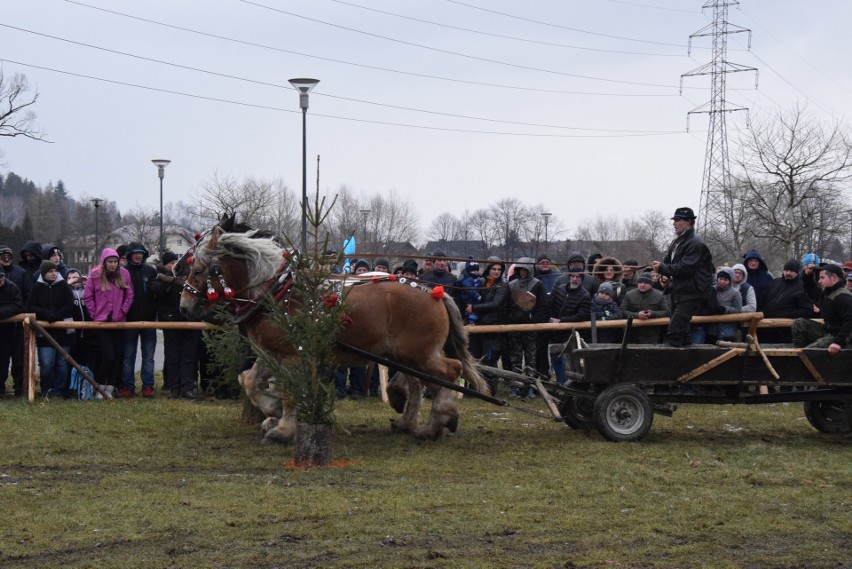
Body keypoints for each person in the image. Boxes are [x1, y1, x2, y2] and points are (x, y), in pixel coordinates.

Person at [652, 207, 715, 347]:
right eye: (674, 220)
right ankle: (688, 360)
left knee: (674, 331)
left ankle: (669, 362)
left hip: (692, 292)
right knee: (683, 333)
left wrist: (663, 268)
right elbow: (669, 262)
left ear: (689, 222)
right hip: (679, 291)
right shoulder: (677, 242)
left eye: (678, 220)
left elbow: (687, 268)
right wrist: (663, 271)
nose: (674, 223)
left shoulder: (695, 242)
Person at [84, 248, 133, 394]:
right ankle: (98, 385)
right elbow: (88, 297)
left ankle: (110, 387)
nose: (113, 265)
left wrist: (123, 310)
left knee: (117, 356)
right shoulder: (94, 275)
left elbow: (130, 295)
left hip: (118, 321)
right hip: (101, 322)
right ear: (104, 262)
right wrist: (94, 314)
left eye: (115, 262)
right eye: (110, 262)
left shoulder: (124, 274)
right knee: (108, 356)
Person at [153, 251, 201, 400]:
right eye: (171, 263)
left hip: (190, 321)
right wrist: (171, 281)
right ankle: (174, 388)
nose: (174, 265)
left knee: (188, 357)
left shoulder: (190, 278)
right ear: (165, 265)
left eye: (176, 262)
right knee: (173, 357)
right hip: (171, 321)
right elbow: (157, 291)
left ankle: (187, 388)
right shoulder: (160, 278)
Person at [26, 260, 75, 398]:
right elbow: (30, 306)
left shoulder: (64, 286)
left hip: (64, 330)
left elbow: (70, 304)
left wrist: (58, 315)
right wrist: (46, 314)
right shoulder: (36, 288)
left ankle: (59, 391)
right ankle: (46, 390)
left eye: (55, 271)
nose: (54, 274)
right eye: (50, 271)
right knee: (46, 364)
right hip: (45, 331)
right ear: (43, 273)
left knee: (62, 363)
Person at [122, 242, 158, 398]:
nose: (138, 255)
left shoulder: (151, 272)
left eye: (140, 253)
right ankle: (127, 386)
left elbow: (157, 293)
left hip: (149, 321)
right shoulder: (123, 272)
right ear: (129, 255)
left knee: (148, 356)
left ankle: (148, 386)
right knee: (128, 356)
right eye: (135, 253)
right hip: (129, 321)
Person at [467, 258, 509, 394]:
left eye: (499, 270)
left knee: (489, 358)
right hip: (477, 325)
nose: (496, 272)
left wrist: (474, 308)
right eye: (494, 269)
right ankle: (475, 387)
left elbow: (495, 304)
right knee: (475, 356)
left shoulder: (502, 285)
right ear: (489, 269)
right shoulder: (483, 282)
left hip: (493, 326)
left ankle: (490, 389)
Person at [507, 257, 547, 396]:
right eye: (520, 270)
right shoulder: (511, 285)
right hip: (515, 327)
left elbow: (542, 305)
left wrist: (534, 320)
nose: (522, 272)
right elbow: (507, 306)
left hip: (530, 328)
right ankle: (516, 387)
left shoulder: (537, 284)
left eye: (525, 269)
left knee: (531, 358)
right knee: (515, 358)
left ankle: (531, 387)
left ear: (529, 269)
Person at [791, 264, 852, 353]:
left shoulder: (843, 297)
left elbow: (850, 321)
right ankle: (798, 354)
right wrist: (808, 276)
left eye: (822, 278)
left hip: (842, 336)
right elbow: (811, 289)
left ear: (834, 277)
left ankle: (802, 358)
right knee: (799, 323)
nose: (819, 281)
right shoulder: (827, 291)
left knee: (808, 352)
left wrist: (838, 342)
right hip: (828, 331)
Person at [548, 267, 591, 383]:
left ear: (581, 279)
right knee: (555, 357)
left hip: (570, 334)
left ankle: (568, 385)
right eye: (573, 276)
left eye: (578, 277)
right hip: (554, 331)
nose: (575, 279)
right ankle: (560, 383)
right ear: (569, 277)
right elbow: (550, 305)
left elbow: (580, 316)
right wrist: (551, 318)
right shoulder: (560, 289)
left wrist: (561, 321)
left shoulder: (585, 295)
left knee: (567, 361)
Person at [759, 259, 817, 343]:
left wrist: (786, 314)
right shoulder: (774, 283)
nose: (788, 273)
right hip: (766, 328)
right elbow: (763, 300)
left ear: (797, 272)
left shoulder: (802, 287)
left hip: (786, 332)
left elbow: (807, 311)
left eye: (791, 271)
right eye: (786, 270)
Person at [0, 245, 27, 397]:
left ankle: (20, 389)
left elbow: (19, 304)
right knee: (1, 362)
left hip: (16, 327)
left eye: (8, 255)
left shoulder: (14, 285)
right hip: (2, 331)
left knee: (18, 361)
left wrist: (2, 312)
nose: (6, 258)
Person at [621, 271, 670, 344]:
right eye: (640, 283)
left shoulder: (659, 295)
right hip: (632, 333)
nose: (642, 285)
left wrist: (652, 314)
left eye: (645, 283)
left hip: (651, 333)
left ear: (651, 284)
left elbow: (666, 312)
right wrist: (637, 315)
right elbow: (623, 310)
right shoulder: (629, 294)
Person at [533, 252, 562, 378]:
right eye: (542, 262)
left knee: (557, 349)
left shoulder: (557, 276)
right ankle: (542, 374)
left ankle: (559, 375)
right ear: (537, 264)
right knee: (540, 349)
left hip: (554, 315)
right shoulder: (534, 277)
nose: (545, 264)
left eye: (547, 262)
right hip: (538, 317)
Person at [66, 268, 97, 370]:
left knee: (88, 358)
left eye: (75, 277)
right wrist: (67, 285)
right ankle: (71, 384)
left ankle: (88, 383)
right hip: (72, 331)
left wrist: (89, 282)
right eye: (69, 278)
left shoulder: (87, 290)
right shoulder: (66, 291)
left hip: (89, 330)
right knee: (72, 358)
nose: (73, 280)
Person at [708, 267, 742, 343]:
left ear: (730, 281)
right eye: (720, 278)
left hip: (728, 329)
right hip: (712, 328)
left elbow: (738, 309)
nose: (722, 281)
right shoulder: (712, 290)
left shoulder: (735, 293)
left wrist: (725, 309)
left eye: (725, 280)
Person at [455, 260, 483, 324]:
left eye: (476, 270)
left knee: (474, 313)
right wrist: (477, 296)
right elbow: (469, 289)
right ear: (468, 271)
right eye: (473, 271)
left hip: (474, 300)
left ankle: (471, 322)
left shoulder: (476, 279)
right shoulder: (467, 279)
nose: (475, 272)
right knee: (469, 313)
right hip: (468, 300)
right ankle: (470, 323)